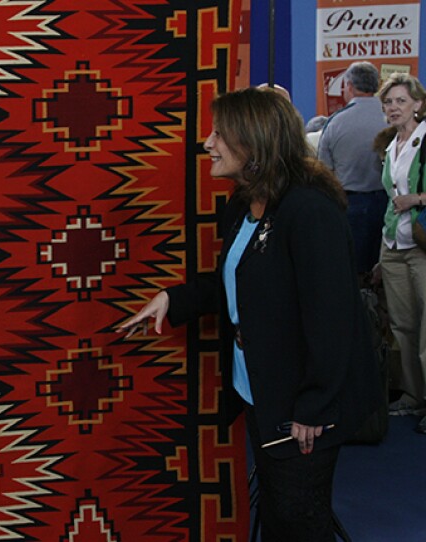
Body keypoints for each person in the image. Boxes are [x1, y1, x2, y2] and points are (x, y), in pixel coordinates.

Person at [116, 88, 380, 541]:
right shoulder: (244, 202)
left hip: (306, 404)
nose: (207, 143)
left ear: (254, 143)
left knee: (299, 521)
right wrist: (173, 300)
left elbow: (333, 318)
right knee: (278, 510)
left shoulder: (309, 210)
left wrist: (313, 406)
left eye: (220, 133)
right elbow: (240, 283)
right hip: (261, 387)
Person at [374, 72, 426, 434]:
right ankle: (413, 396)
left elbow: (406, 198)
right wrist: (382, 252)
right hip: (394, 246)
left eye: (400, 102)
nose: (393, 108)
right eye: (388, 102)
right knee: (403, 327)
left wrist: (418, 199)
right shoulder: (390, 144)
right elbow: (390, 202)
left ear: (418, 105)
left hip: (423, 246)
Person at [317, 61, 389, 284]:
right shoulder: (392, 118)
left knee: (352, 274)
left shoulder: (335, 123)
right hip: (390, 205)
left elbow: (323, 173)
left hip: (350, 205)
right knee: (389, 274)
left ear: (348, 86)